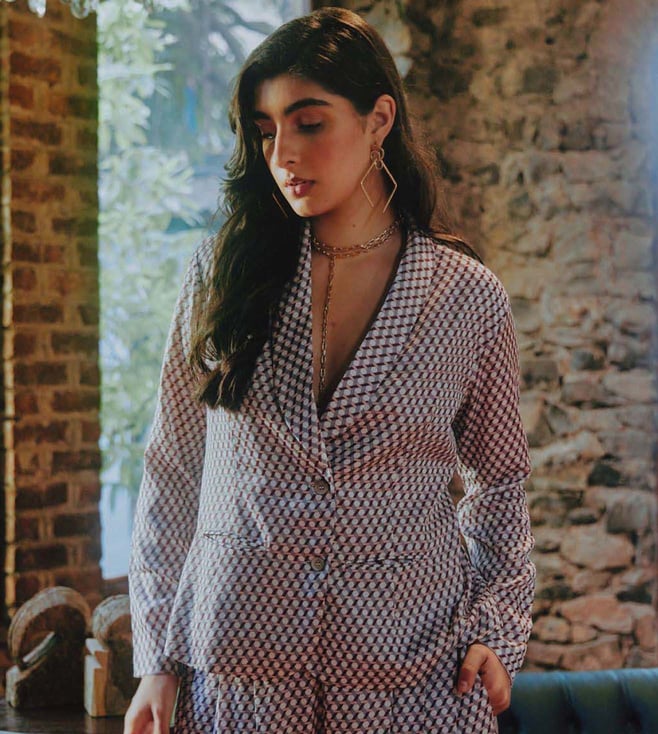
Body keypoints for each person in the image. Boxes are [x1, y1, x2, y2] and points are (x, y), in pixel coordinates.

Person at [123, 7, 535, 733]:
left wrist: (495, 628)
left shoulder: (465, 296)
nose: (282, 152)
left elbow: (499, 481)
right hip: (239, 671)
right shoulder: (221, 275)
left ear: (379, 120)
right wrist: (158, 654)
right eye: (265, 129)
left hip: (412, 674)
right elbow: (173, 470)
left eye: (309, 123)